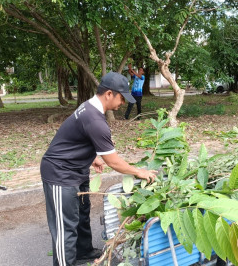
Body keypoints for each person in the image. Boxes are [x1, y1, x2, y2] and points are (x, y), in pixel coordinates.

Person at [40, 72, 157, 266]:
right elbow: (113, 161)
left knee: (81, 215)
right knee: (65, 228)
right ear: (109, 94)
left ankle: (84, 252)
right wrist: (139, 172)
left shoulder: (89, 107)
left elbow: (77, 137)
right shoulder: (95, 119)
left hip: (77, 169)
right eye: (121, 98)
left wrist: (92, 156)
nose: (122, 103)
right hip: (60, 173)